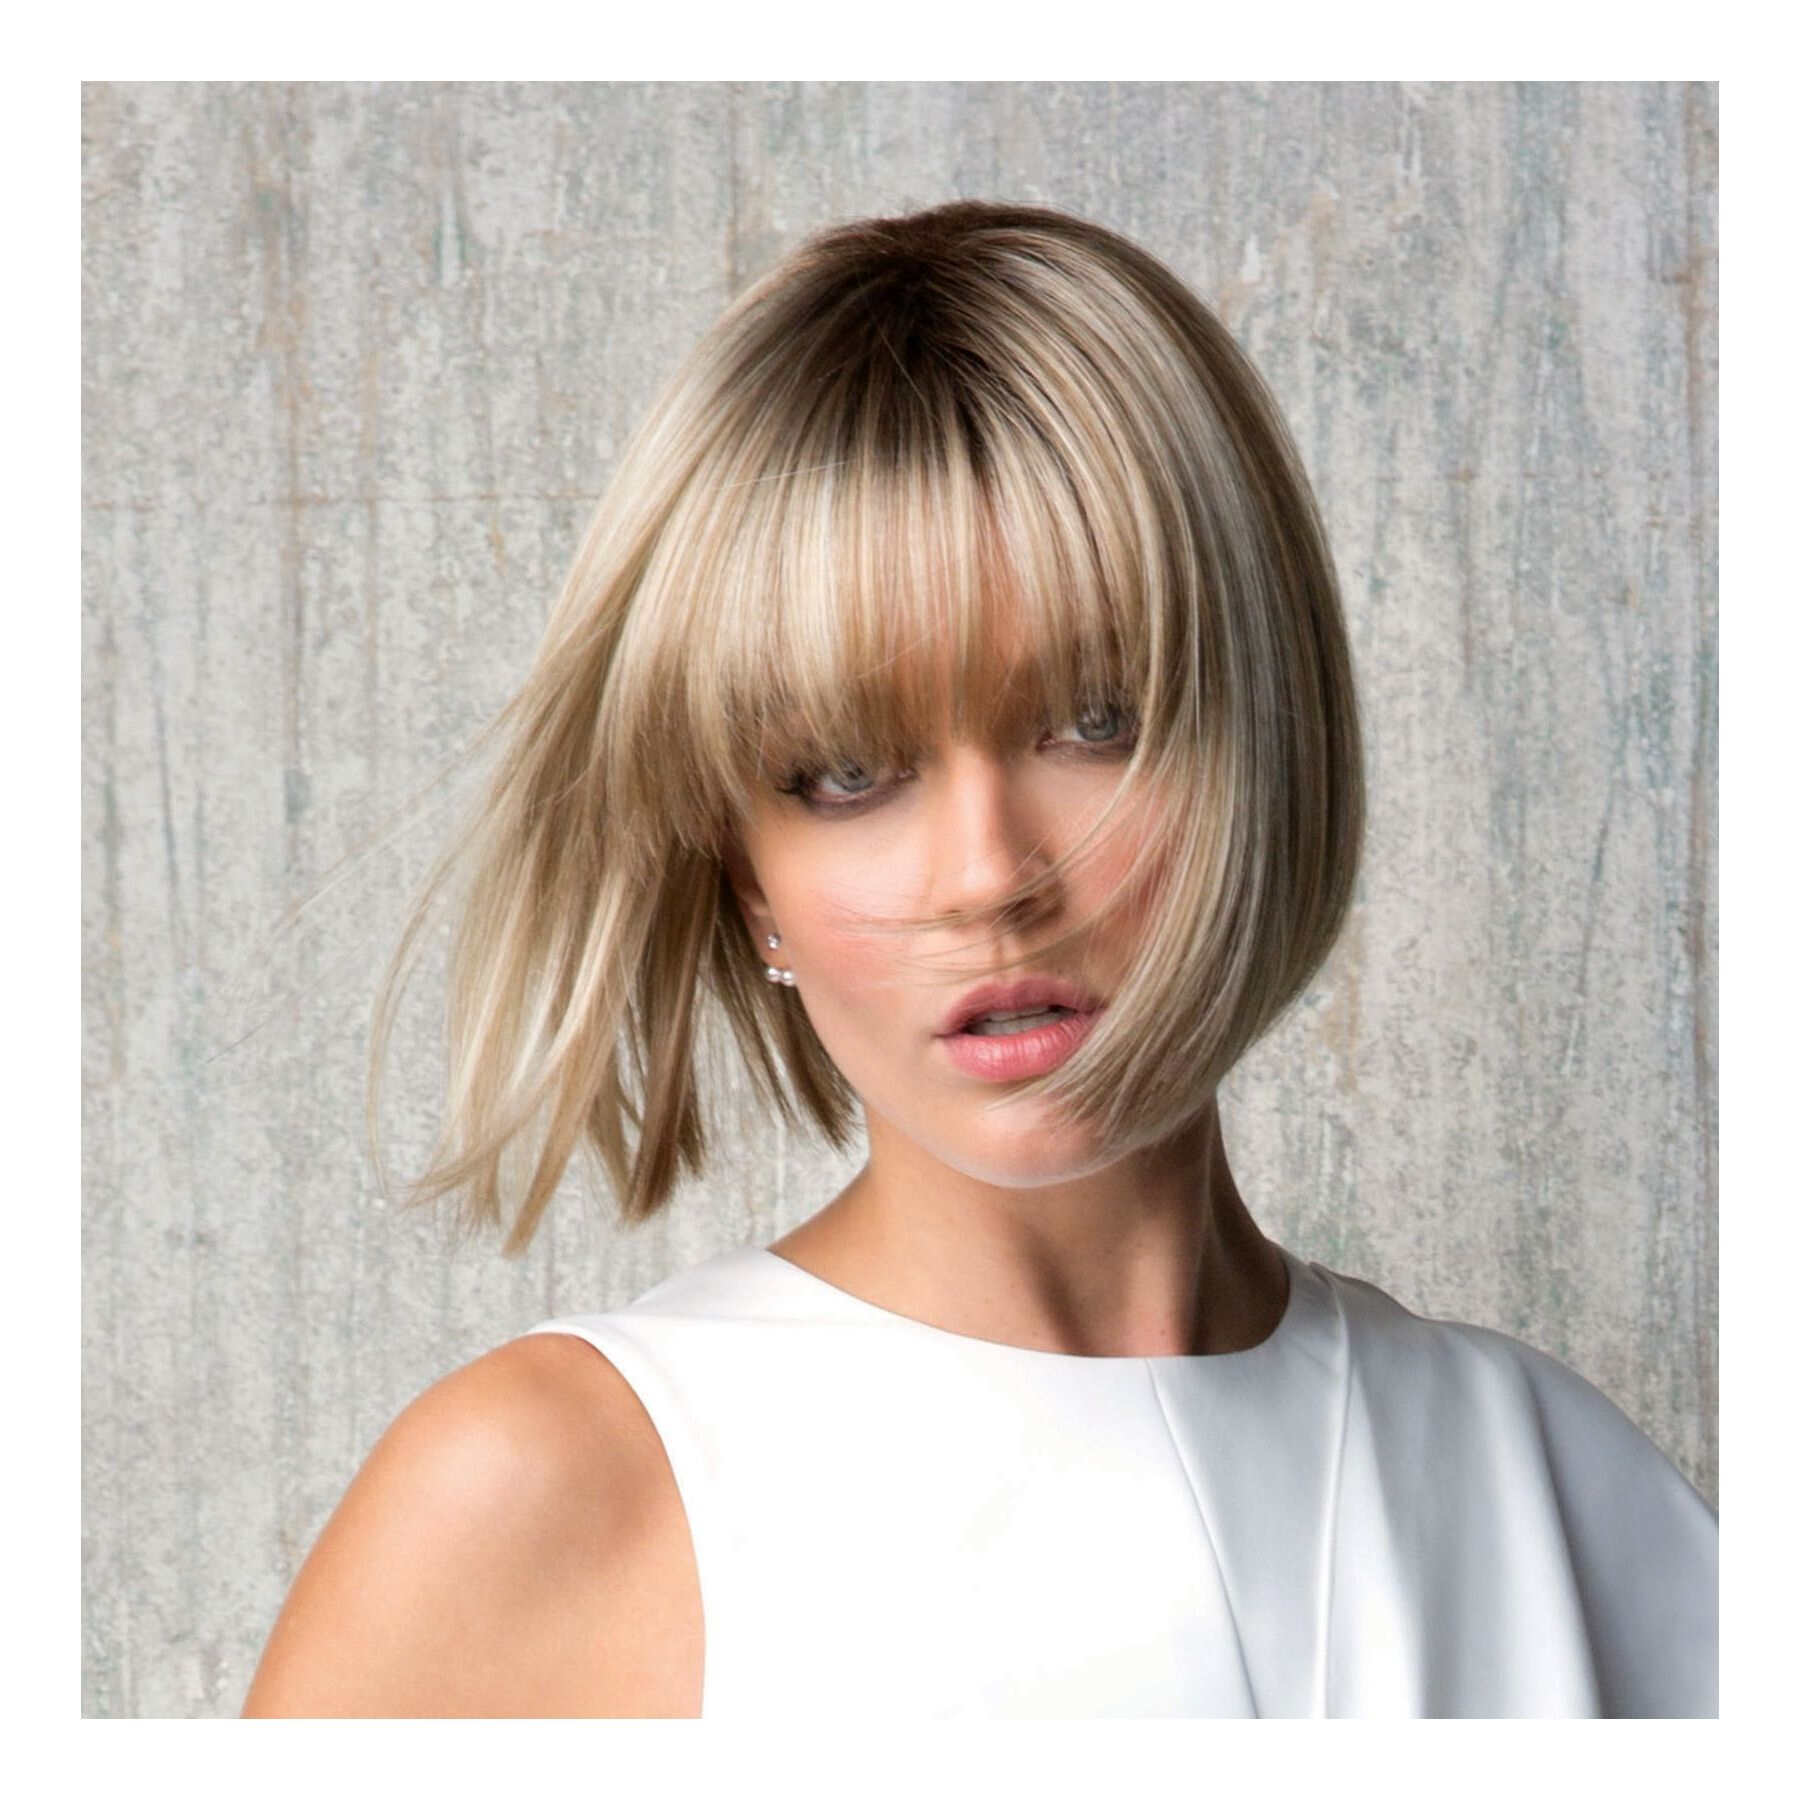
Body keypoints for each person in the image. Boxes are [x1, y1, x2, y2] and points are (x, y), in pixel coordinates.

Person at [241, 200, 1717, 1719]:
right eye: (845, 773)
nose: (988, 878)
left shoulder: (1572, 1501)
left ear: (1267, 740)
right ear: (745, 872)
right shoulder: (540, 1503)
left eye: (1096, 722)